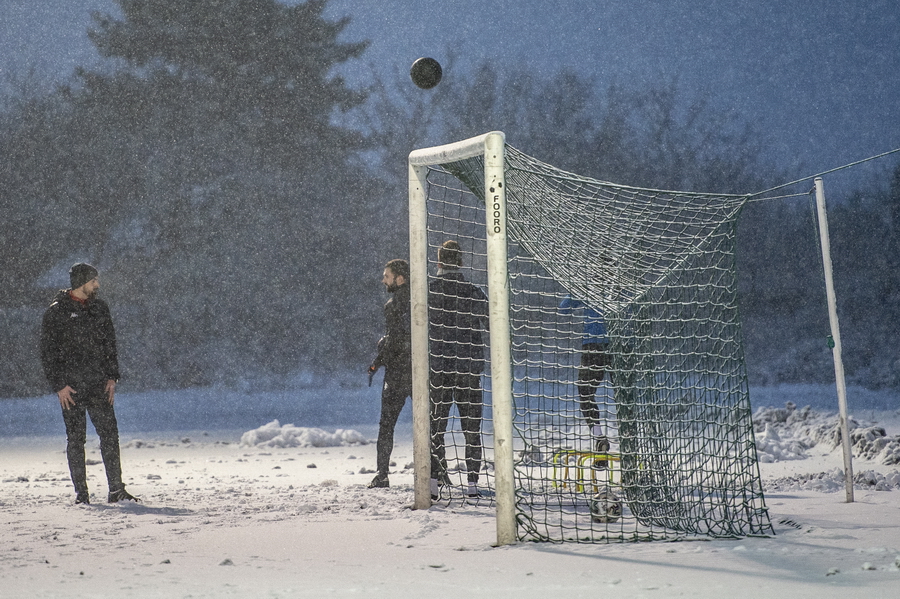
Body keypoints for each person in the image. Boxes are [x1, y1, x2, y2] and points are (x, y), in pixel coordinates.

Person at [39, 263, 139, 504]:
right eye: (94, 280)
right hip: (70, 389)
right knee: (76, 439)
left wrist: (112, 377)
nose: (98, 285)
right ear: (82, 282)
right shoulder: (56, 312)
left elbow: (110, 345)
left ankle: (116, 490)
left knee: (110, 436)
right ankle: (81, 496)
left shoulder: (100, 308)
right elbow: (47, 352)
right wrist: (59, 385)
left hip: (99, 385)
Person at [429, 241, 489, 497]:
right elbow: (490, 322)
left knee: (435, 428)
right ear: (461, 262)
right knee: (471, 428)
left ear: (439, 262)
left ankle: (433, 483)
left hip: (438, 368)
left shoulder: (429, 291)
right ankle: (473, 484)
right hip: (467, 369)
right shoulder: (473, 292)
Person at [366, 259, 412, 488]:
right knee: (431, 424)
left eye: (387, 276)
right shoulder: (422, 302)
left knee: (386, 425)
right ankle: (438, 473)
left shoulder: (393, 305)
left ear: (400, 279)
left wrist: (378, 360)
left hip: (398, 373)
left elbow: (395, 339)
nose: (383, 280)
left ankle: (382, 474)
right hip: (420, 371)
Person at [559, 294, 612, 464]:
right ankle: (627, 444)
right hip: (618, 342)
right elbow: (564, 307)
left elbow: (564, 307)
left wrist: (579, 290)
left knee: (585, 392)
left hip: (594, 343)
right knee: (625, 397)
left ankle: (599, 437)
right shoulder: (619, 284)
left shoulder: (590, 285)